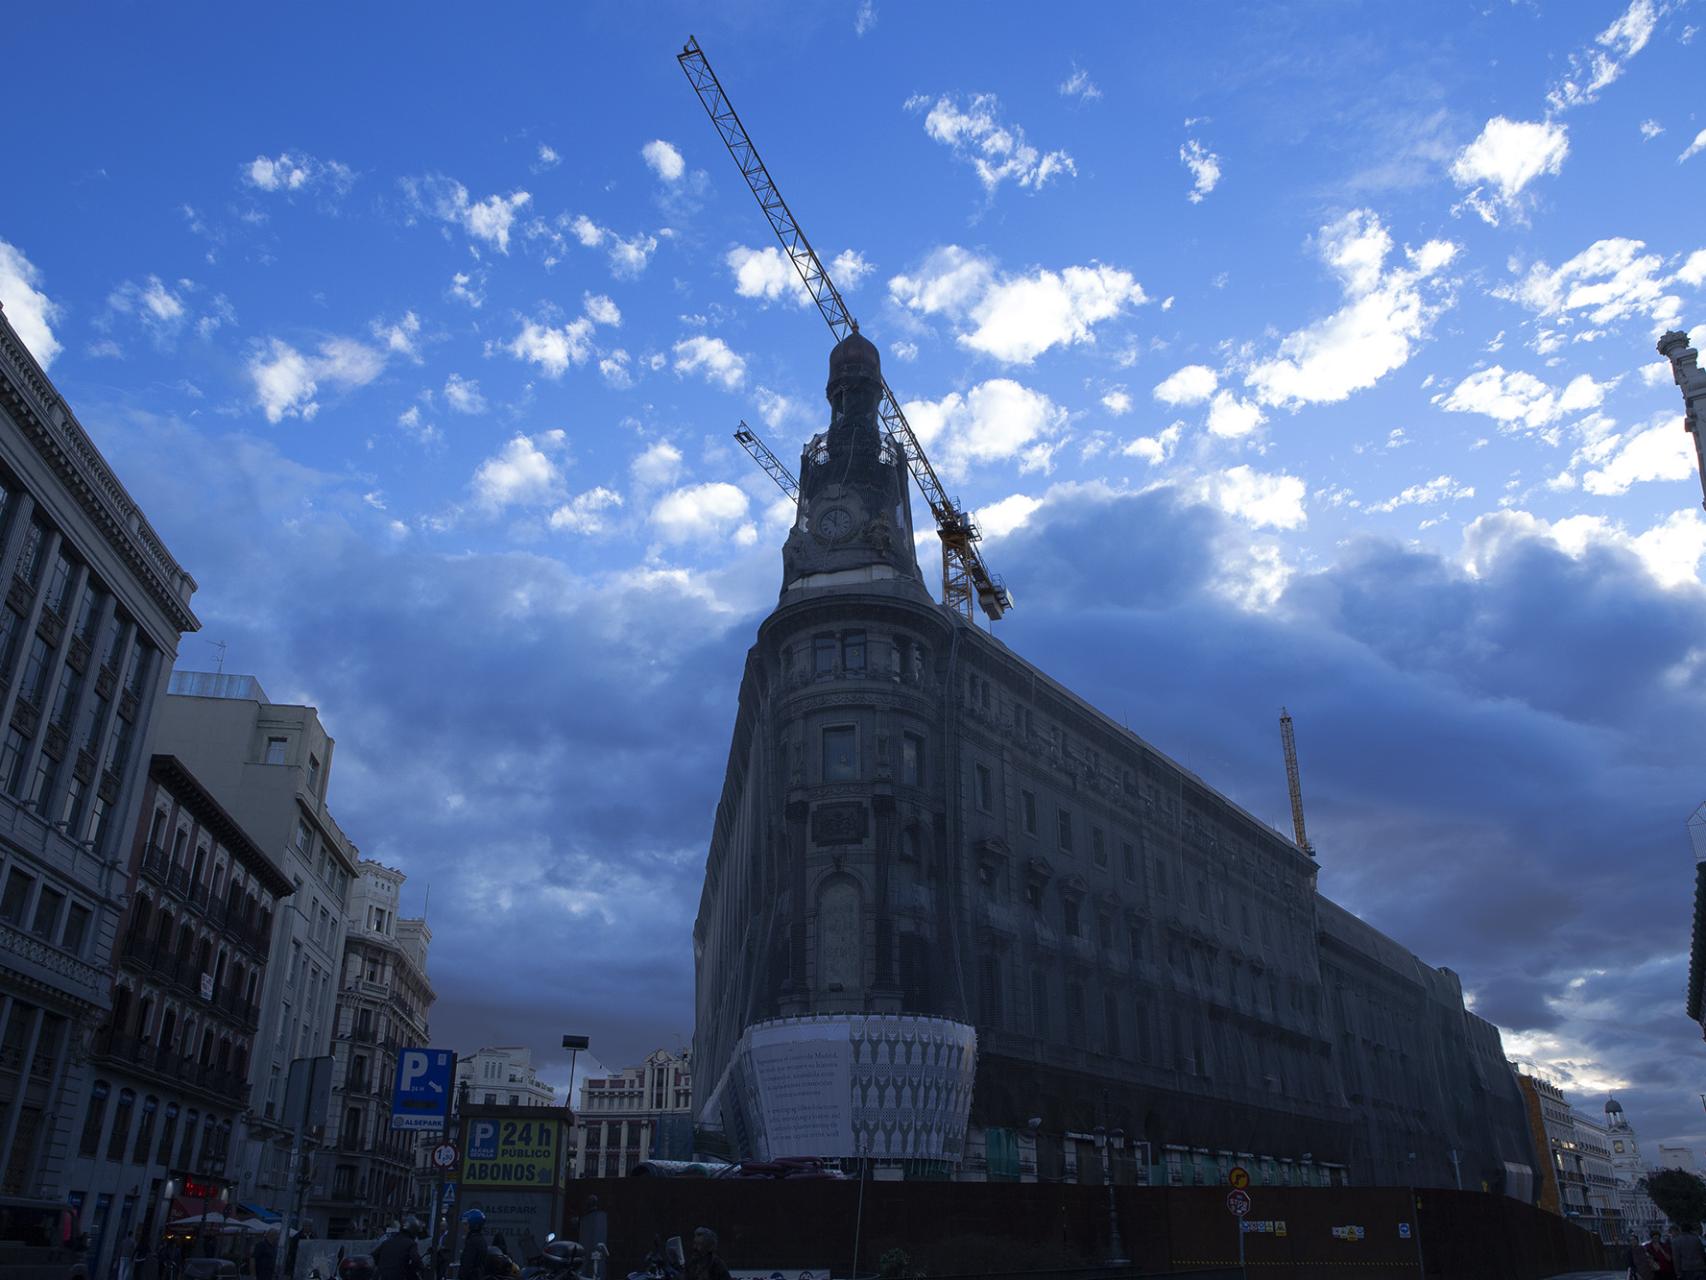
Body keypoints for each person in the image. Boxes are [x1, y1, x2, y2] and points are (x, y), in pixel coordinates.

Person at [459, 1211, 489, 1280]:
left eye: (466, 1224)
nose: (464, 1227)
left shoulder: (472, 1242)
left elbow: (467, 1266)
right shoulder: (480, 1239)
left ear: (472, 1225)